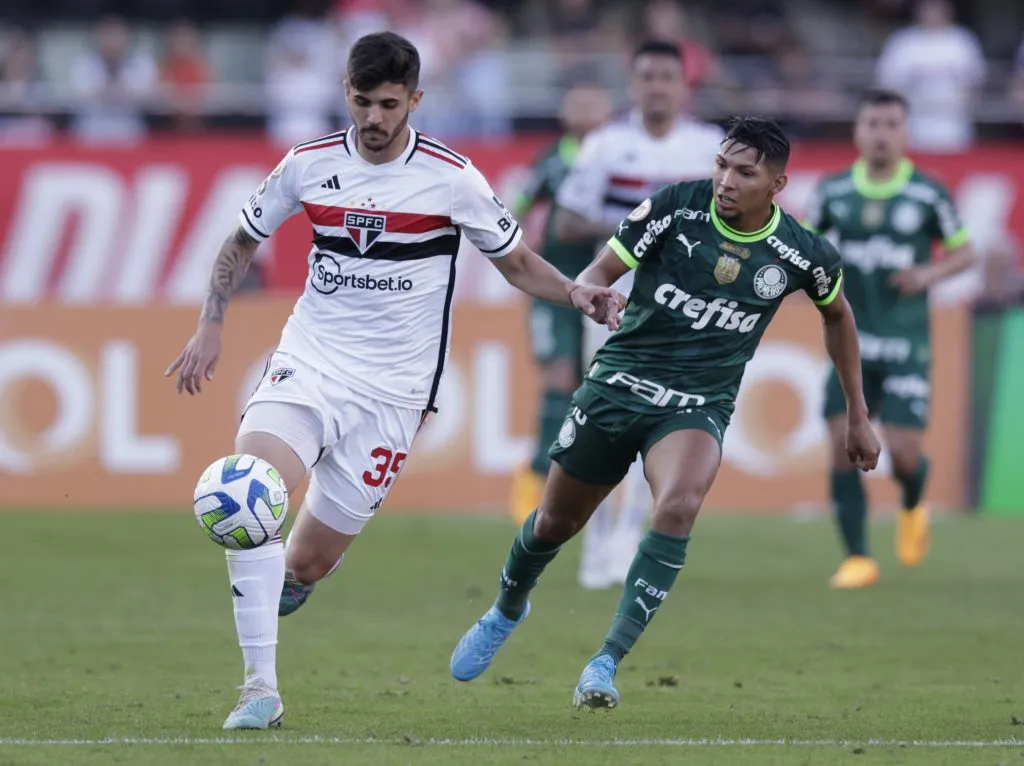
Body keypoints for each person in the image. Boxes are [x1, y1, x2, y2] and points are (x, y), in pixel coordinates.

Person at [164, 31, 623, 730]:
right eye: (360, 101)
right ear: (344, 92)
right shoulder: (309, 164)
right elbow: (241, 240)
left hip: (395, 395)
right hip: (309, 363)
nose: (373, 119)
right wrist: (210, 322)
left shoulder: (451, 178)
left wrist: (578, 293)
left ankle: (298, 577)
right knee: (251, 485)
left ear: (414, 99)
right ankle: (259, 689)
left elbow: (517, 261)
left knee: (308, 564)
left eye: (387, 104)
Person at [449, 116, 882, 710]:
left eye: (744, 173)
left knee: (677, 506)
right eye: (722, 165)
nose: (727, 180)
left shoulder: (802, 254)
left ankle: (605, 663)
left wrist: (858, 413)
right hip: (619, 386)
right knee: (554, 523)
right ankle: (506, 609)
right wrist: (595, 290)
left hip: (697, 405)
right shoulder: (674, 208)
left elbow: (839, 317)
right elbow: (602, 268)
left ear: (776, 185)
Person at [551, 39, 724, 590]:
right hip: (613, 302)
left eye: (666, 77)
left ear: (682, 84)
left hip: (683, 310)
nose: (657, 86)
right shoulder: (604, 145)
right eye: (647, 76)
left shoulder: (707, 148)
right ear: (634, 84)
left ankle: (628, 534)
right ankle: (595, 539)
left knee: (659, 425)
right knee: (603, 420)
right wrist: (638, 225)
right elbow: (567, 223)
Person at [803, 89, 975, 589]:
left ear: (905, 133)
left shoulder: (927, 194)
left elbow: (966, 253)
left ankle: (913, 500)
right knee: (840, 445)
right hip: (850, 345)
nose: (881, 133)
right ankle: (858, 558)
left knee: (902, 454)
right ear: (859, 132)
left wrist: (925, 275)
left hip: (905, 345)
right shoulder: (834, 191)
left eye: (891, 124)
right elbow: (806, 247)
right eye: (873, 123)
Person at [508, 81, 613, 526]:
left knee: (594, 385)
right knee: (560, 376)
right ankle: (534, 478)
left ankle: (577, 486)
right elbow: (516, 205)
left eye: (593, 102)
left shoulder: (616, 158)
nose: (585, 111)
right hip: (555, 288)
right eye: (577, 102)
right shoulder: (550, 161)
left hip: (606, 286)